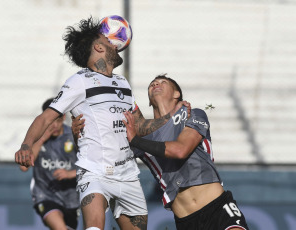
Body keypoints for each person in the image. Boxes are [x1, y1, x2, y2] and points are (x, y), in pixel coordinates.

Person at [15, 16, 188, 230]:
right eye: (108, 39)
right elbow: (46, 117)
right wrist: (26, 145)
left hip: (128, 174)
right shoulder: (80, 81)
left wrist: (169, 116)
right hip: (95, 171)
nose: (115, 43)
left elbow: (140, 126)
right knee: (94, 227)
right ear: (98, 46)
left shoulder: (122, 83)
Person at [121, 75, 249, 230]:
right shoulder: (142, 137)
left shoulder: (193, 114)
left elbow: (181, 150)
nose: (156, 84)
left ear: (177, 94)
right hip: (186, 221)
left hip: (218, 208)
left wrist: (135, 141)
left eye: (163, 82)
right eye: (152, 84)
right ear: (149, 100)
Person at [19, 98, 80, 230]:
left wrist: (70, 173)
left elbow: (90, 166)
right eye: (50, 122)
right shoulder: (36, 136)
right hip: (45, 195)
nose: (54, 126)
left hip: (71, 199)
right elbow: (24, 167)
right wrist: (41, 140)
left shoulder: (73, 136)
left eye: (57, 121)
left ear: (63, 118)